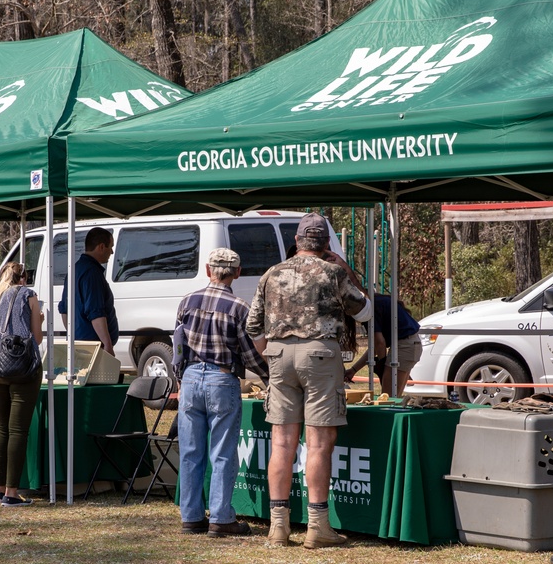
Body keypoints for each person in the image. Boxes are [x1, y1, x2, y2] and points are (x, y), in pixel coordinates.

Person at [247, 213, 372, 548]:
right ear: (326, 244)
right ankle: (317, 526)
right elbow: (365, 312)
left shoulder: (272, 273)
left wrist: (269, 355)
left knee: (282, 443)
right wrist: (342, 269)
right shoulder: (332, 272)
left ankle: (278, 527)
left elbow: (252, 325)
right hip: (320, 354)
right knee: (318, 444)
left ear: (297, 241)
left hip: (278, 355)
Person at [175, 248, 268, 538]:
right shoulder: (240, 307)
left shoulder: (187, 301)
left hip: (191, 377)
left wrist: (181, 377)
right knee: (223, 453)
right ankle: (221, 517)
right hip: (222, 378)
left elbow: (178, 345)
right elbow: (250, 353)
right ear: (237, 272)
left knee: (191, 451)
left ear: (207, 270)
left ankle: (190, 516)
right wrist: (268, 377)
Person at [0, 262, 44, 507]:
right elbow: (36, 338)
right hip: (23, 367)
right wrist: (40, 320)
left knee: (2, 429)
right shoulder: (29, 295)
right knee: (17, 431)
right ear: (23, 277)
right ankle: (12, 493)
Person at [345, 293, 422, 397]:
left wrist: (382, 369)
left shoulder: (369, 311)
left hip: (404, 347)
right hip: (409, 345)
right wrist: (353, 370)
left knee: (388, 398)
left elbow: (380, 343)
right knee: (393, 397)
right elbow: (375, 347)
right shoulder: (376, 302)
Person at [58, 227, 118, 354]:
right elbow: (96, 313)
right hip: (94, 348)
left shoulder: (74, 270)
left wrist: (74, 336)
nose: (112, 252)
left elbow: (64, 311)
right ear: (101, 247)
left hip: (78, 344)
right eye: (110, 247)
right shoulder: (92, 273)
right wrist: (107, 345)